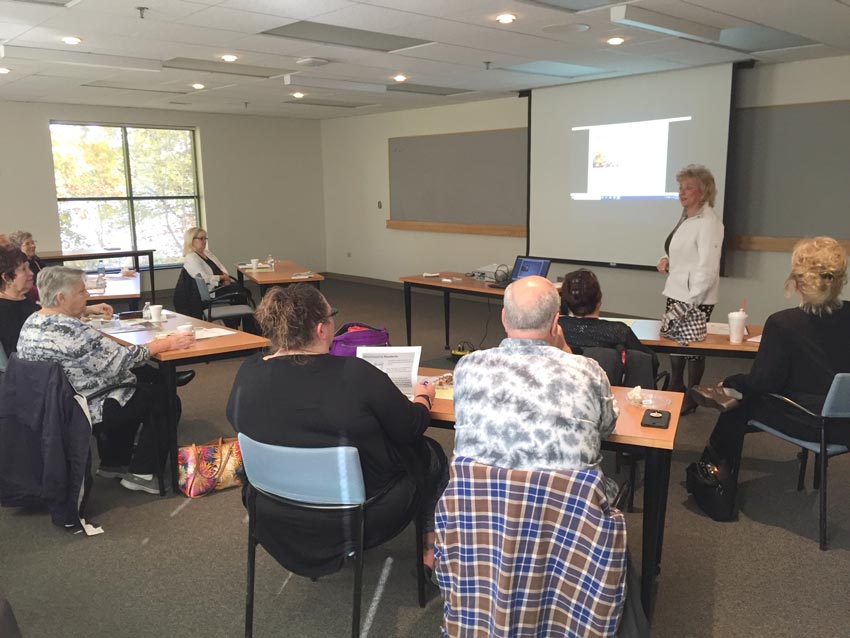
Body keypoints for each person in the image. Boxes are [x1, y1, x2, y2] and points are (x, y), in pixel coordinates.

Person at [226, 284, 448, 575]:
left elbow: (236, 418)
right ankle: (431, 546)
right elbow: (411, 428)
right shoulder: (356, 374)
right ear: (321, 329)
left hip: (269, 508)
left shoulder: (249, 371)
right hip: (359, 516)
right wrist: (423, 398)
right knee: (431, 454)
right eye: (332, 316)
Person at [687, 236, 850, 520]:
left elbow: (764, 383)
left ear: (797, 280)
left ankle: (715, 489)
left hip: (812, 423)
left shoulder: (782, 323)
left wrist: (733, 381)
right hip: (844, 424)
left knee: (736, 408)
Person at [16, 266, 194, 494]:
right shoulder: (72, 330)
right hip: (84, 405)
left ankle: (114, 462)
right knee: (164, 399)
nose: (87, 296)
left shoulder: (32, 322)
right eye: (82, 292)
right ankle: (143, 473)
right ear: (62, 297)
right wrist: (165, 343)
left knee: (136, 385)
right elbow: (121, 360)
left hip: (52, 404)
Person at [453, 275, 620, 501]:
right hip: (570, 521)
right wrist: (566, 352)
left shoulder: (468, 367)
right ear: (555, 323)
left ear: (504, 318)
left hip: (481, 516)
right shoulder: (588, 372)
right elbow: (606, 428)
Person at [656, 164, 724, 413]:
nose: (682, 193)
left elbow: (707, 265)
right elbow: (683, 251)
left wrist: (693, 300)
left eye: (689, 188)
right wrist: (667, 259)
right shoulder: (686, 217)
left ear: (703, 192)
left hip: (697, 295)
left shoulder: (709, 222)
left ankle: (692, 393)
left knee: (693, 346)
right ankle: (675, 386)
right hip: (675, 291)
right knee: (675, 341)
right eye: (680, 188)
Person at [0, 246, 113, 355]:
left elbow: (50, 312)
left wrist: (89, 309)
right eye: (24, 269)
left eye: (29, 267)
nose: (31, 273)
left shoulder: (26, 297)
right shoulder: (4, 311)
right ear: (7, 277)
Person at [559, 268, 659, 377]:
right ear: (599, 299)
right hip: (611, 391)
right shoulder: (618, 332)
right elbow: (650, 362)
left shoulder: (556, 329)